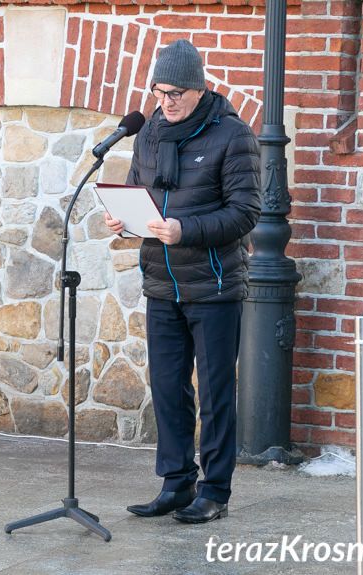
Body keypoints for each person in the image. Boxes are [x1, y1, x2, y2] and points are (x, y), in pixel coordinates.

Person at [105, 39, 261, 523]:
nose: (166, 101)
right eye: (159, 92)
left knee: (215, 394)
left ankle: (214, 490)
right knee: (169, 387)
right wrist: (124, 219)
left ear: (198, 89)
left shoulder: (233, 136)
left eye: (176, 92)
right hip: (161, 282)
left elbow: (245, 213)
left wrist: (184, 230)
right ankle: (176, 483)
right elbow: (139, 189)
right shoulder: (148, 133)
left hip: (214, 285)